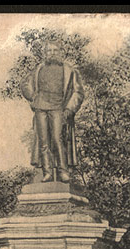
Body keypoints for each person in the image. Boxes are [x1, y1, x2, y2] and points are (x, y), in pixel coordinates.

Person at [20, 41, 84, 183]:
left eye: (55, 50)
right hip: (40, 108)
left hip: (58, 108)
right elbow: (25, 84)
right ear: (45, 53)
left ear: (60, 52)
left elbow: (78, 92)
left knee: (57, 139)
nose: (52, 53)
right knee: (43, 142)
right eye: (49, 51)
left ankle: (63, 172)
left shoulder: (69, 70)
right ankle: (47, 172)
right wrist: (32, 96)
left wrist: (69, 109)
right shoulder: (39, 69)